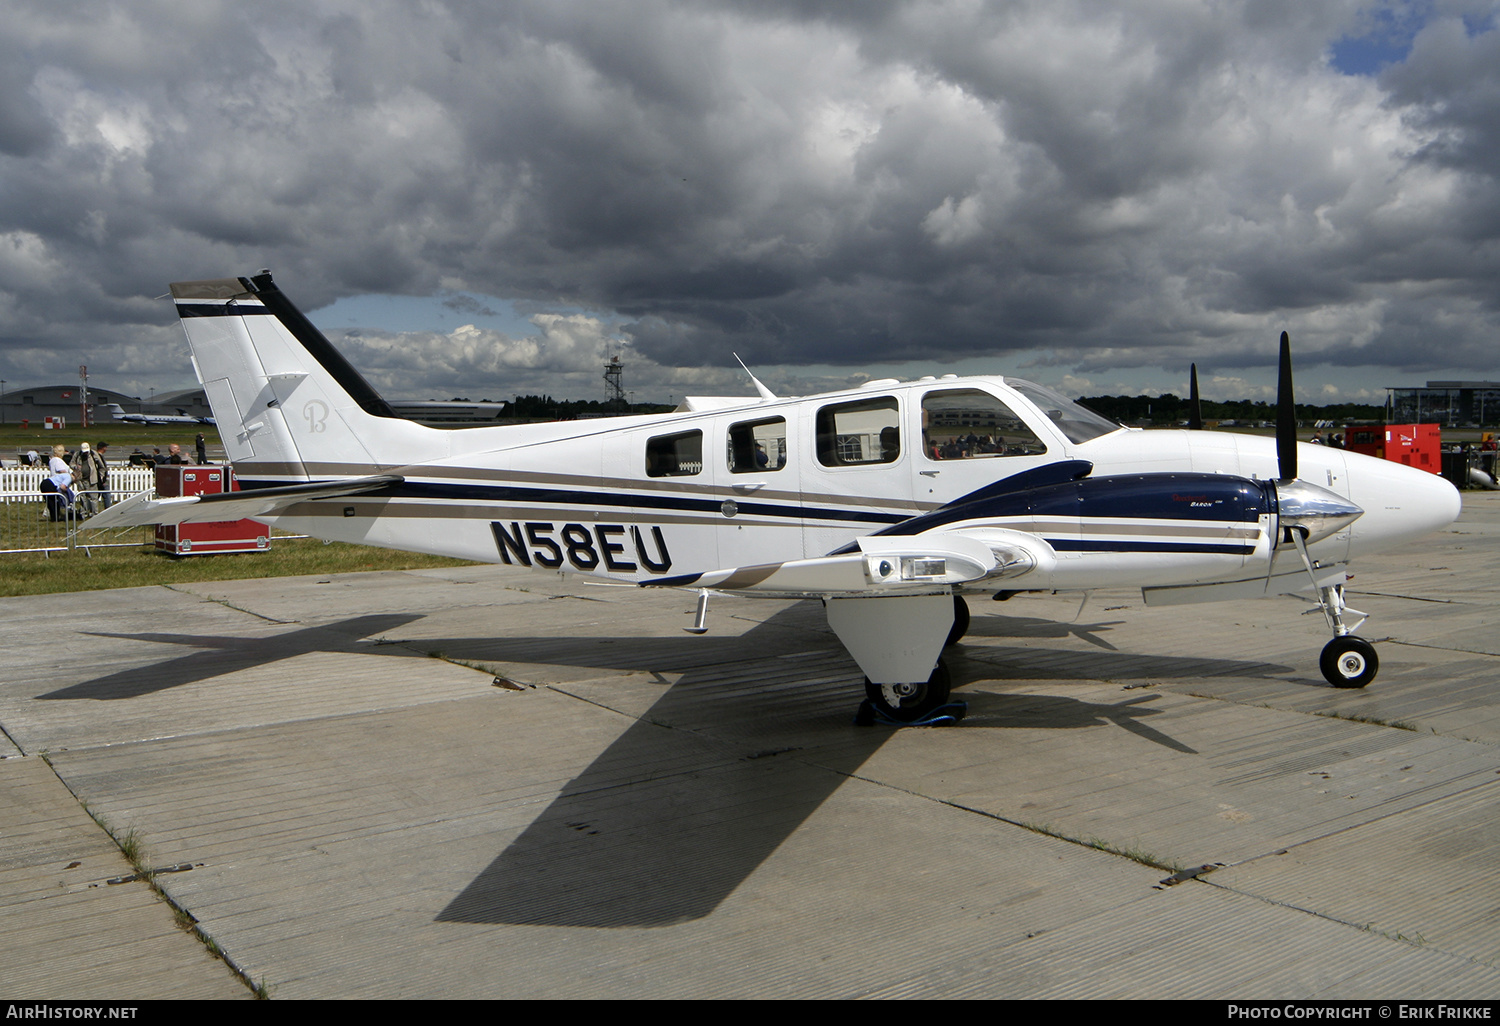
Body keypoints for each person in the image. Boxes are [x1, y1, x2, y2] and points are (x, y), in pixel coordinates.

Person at [69, 441, 106, 516]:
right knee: (83, 497)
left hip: (92, 480)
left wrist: (101, 476)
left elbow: (102, 466)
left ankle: (94, 513)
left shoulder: (94, 454)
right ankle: (84, 512)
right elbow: (71, 464)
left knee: (93, 497)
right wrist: (76, 467)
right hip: (81, 480)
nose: (86, 453)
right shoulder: (77, 454)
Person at [94, 442, 113, 509]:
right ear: (103, 448)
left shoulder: (96, 456)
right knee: (106, 495)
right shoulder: (98, 457)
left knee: (96, 495)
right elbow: (101, 468)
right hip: (102, 480)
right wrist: (102, 479)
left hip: (99, 479)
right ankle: (108, 509)